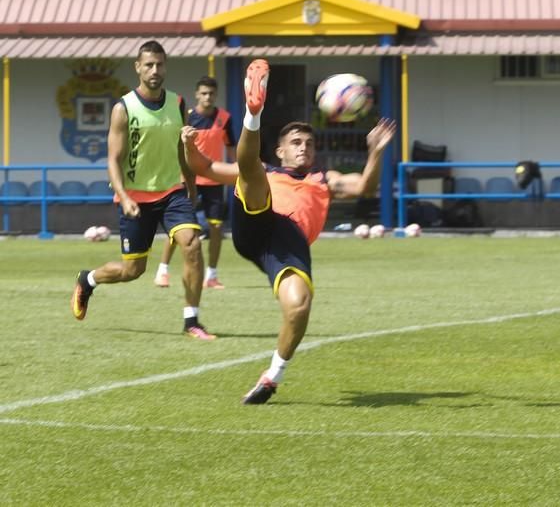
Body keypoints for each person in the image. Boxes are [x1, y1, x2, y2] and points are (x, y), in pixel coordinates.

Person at [181, 58, 396, 403]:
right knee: (250, 172)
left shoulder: (324, 180)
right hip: (257, 218)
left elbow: (365, 188)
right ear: (281, 150)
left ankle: (272, 377)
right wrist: (190, 146)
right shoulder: (268, 168)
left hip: (286, 242)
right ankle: (255, 111)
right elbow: (203, 167)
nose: (303, 148)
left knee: (298, 307)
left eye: (309, 144)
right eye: (296, 142)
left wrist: (375, 153)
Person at [70, 40, 216, 340]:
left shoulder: (177, 104)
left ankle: (192, 321)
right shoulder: (124, 109)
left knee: (191, 243)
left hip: (172, 192)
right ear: (137, 67)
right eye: (148, 64)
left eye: (159, 64)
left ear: (166, 67)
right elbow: (113, 159)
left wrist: (190, 186)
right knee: (132, 270)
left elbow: (181, 151)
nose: (154, 70)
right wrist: (123, 196)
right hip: (135, 198)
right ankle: (89, 279)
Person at [153, 75, 237, 290]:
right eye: (203, 93)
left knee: (216, 228)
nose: (207, 97)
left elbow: (232, 149)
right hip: (188, 179)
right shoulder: (188, 118)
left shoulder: (225, 119)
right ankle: (162, 270)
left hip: (215, 180)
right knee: (178, 226)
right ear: (196, 95)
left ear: (216, 95)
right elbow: (177, 149)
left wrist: (238, 173)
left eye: (211, 93)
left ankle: (212, 275)